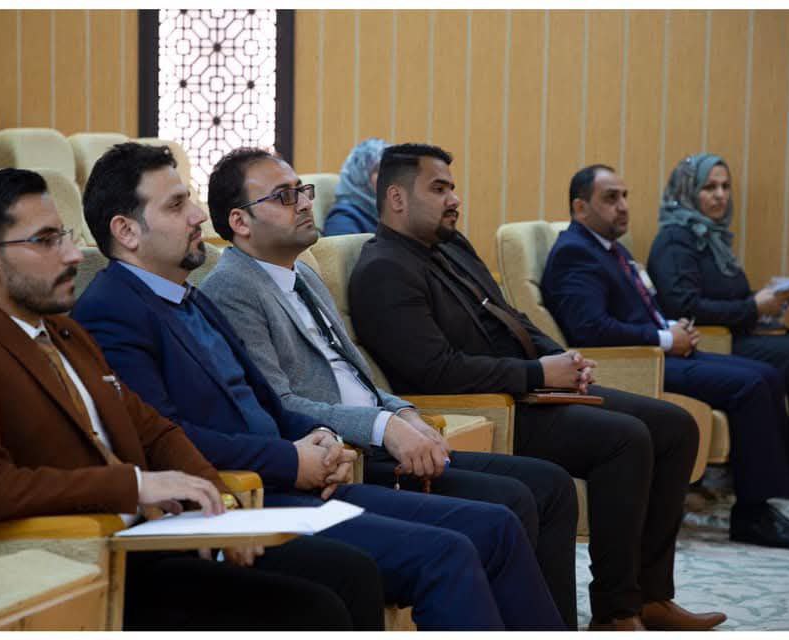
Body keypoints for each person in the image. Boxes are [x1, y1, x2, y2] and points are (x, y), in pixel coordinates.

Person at [70, 142, 565, 631]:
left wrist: (320, 438)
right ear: (126, 230)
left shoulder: (188, 296)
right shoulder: (114, 311)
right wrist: (292, 458)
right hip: (249, 493)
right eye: (177, 205)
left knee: (495, 527)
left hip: (293, 476)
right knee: (445, 553)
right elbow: (166, 437)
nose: (198, 215)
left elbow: (269, 402)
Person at [0, 168, 387, 630]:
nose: (72, 255)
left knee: (352, 573)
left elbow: (154, 430)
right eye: (46, 241)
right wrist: (135, 486)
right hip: (83, 561)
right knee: (313, 609)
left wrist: (220, 508)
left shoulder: (62, 331)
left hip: (159, 537)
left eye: (64, 236)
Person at [348, 143, 726, 631]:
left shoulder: (451, 246)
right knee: (626, 439)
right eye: (439, 189)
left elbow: (512, 317)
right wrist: (538, 374)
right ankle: (616, 610)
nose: (454, 199)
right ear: (397, 198)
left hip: (527, 389)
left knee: (675, 426)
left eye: (453, 188)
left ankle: (651, 596)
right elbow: (435, 372)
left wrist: (561, 357)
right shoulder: (383, 270)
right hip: (489, 407)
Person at [541, 163, 789, 551]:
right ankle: (751, 515)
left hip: (659, 352)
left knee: (767, 374)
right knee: (751, 385)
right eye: (610, 198)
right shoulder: (576, 252)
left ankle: (762, 504)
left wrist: (673, 326)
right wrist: (666, 338)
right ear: (580, 208)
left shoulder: (609, 249)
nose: (623, 206)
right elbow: (591, 330)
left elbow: (636, 310)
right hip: (636, 365)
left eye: (625, 196)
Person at [647, 154, 789, 503]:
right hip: (711, 341)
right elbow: (684, 307)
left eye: (725, 186)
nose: (720, 195)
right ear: (687, 191)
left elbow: (729, 297)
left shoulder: (713, 238)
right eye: (709, 187)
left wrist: (773, 298)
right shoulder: (675, 240)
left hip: (736, 332)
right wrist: (754, 307)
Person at [322, 138, 387, 236]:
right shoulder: (342, 221)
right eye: (379, 170)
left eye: (392, 170)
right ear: (360, 176)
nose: (389, 176)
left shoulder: (384, 214)